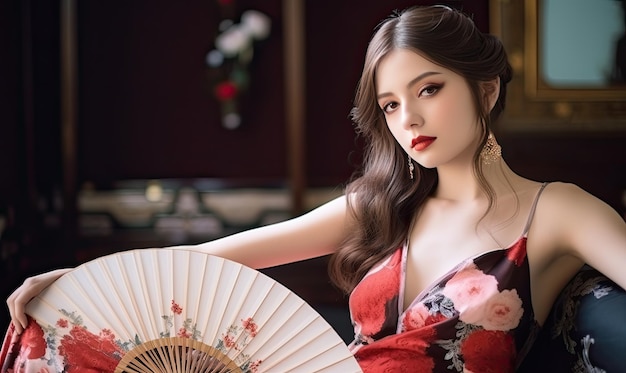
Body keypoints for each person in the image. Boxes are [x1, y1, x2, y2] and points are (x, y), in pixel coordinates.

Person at [4, 5, 626, 372]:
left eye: (429, 89)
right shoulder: (382, 203)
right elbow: (218, 258)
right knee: (59, 338)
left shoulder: (557, 210)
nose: (407, 118)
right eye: (389, 104)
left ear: (485, 90)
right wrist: (77, 277)